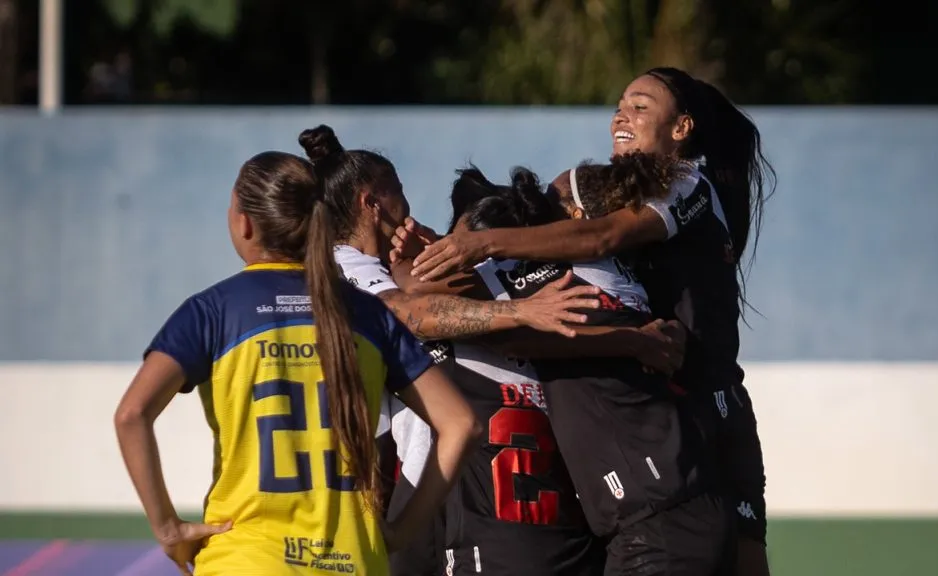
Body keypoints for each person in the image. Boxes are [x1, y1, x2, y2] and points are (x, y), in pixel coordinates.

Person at [403, 67, 774, 576]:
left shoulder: (684, 183)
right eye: (620, 105)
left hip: (712, 415)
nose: (622, 115)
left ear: (682, 128)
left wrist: (480, 244)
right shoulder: (596, 266)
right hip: (678, 432)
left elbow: (599, 239)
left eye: (640, 106)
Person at [113, 149, 482, 575]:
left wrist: (169, 529)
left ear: (244, 222)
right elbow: (461, 424)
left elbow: (131, 415)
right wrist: (402, 529)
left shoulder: (213, 310)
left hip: (246, 561)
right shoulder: (367, 314)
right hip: (354, 561)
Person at [293, 124, 608, 576]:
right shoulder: (347, 270)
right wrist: (523, 310)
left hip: (423, 488)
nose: (408, 204)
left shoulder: (369, 272)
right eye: (399, 190)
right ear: (372, 202)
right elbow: (408, 314)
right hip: (387, 489)